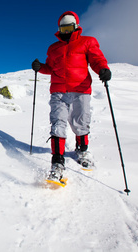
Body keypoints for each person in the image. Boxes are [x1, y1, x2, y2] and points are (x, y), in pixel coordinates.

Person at [32, 11, 111, 182]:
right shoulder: (53, 48)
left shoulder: (87, 42)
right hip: (58, 91)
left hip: (80, 89)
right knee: (57, 123)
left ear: (75, 27)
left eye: (69, 28)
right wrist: (40, 67)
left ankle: (82, 150)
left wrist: (103, 69)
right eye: (63, 28)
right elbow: (51, 68)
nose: (66, 32)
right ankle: (57, 161)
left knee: (81, 121)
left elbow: (97, 59)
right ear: (59, 28)